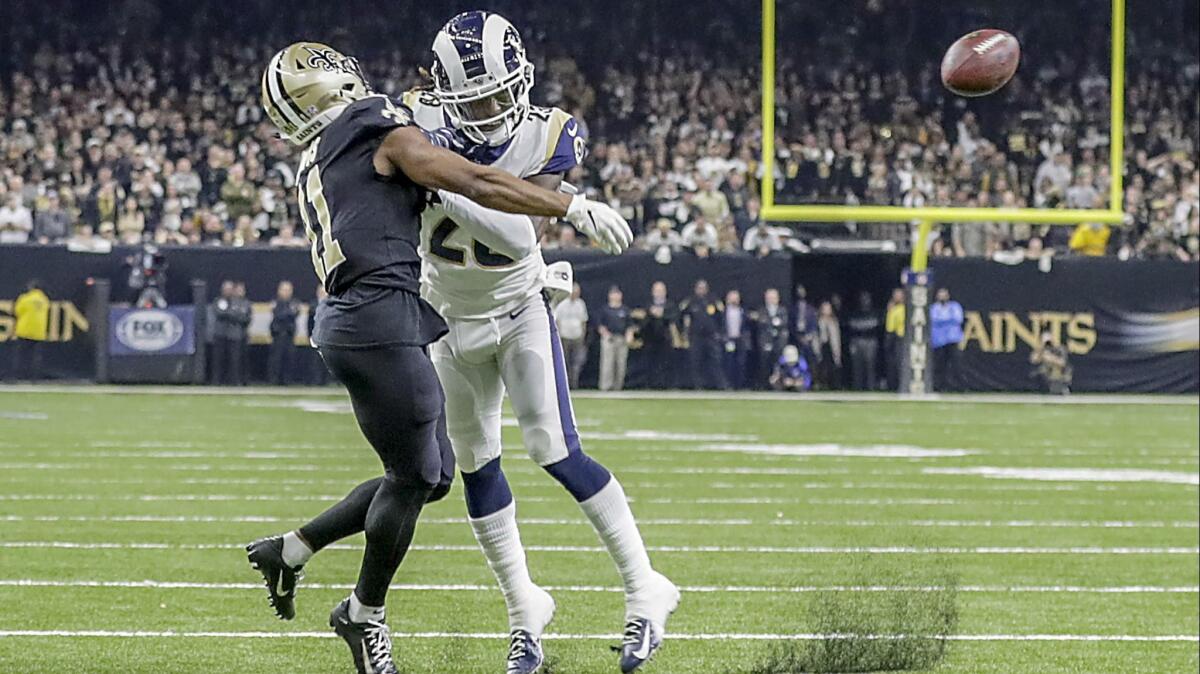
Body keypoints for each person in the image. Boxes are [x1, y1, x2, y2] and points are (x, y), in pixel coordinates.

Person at [243, 39, 632, 674]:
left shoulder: (323, 150)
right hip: (380, 318)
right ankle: (363, 616)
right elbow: (474, 180)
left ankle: (291, 549)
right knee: (420, 477)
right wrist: (571, 205)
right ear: (332, 83)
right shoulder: (374, 130)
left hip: (355, 319)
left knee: (430, 470)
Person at [412, 15, 670, 673]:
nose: (494, 112)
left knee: (552, 448)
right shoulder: (413, 121)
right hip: (445, 318)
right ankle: (524, 612)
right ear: (445, 93)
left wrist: (443, 181)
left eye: (502, 96)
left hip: (518, 307)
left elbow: (515, 231)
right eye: (477, 102)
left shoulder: (552, 132)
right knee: (476, 463)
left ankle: (647, 587)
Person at [678, 278, 725, 389]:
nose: (701, 290)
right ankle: (698, 386)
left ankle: (720, 385)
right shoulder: (690, 301)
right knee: (695, 362)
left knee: (716, 362)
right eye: (699, 288)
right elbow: (682, 316)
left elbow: (721, 317)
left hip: (711, 337)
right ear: (695, 289)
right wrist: (684, 333)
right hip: (696, 337)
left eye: (704, 288)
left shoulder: (713, 301)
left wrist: (719, 332)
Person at [639, 281, 678, 389]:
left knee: (665, 363)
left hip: (665, 339)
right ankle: (650, 384)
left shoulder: (670, 305)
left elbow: (674, 319)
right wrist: (651, 314)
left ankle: (665, 385)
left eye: (661, 290)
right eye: (657, 291)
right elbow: (643, 322)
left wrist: (662, 314)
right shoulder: (647, 305)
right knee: (650, 363)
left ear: (665, 292)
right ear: (652, 292)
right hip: (650, 339)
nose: (659, 293)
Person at [9, 280, 50, 381]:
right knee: (35, 356)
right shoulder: (45, 300)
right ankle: (34, 377)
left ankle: (19, 376)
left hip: (25, 330)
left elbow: (17, 311)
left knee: (21, 356)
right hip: (39, 332)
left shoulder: (25, 298)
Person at [553, 283, 589, 389]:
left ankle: (574, 384)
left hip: (577, 336)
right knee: (564, 361)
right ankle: (563, 384)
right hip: (564, 336)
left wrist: (583, 334)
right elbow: (557, 320)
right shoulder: (561, 304)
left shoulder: (580, 304)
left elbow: (583, 321)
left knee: (576, 362)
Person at [598, 285, 632, 391]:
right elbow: (600, 325)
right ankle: (606, 386)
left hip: (621, 339)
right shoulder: (605, 309)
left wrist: (629, 335)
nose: (615, 296)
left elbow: (629, 325)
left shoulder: (625, 310)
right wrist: (605, 334)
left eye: (617, 294)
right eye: (613, 294)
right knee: (607, 363)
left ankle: (618, 386)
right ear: (610, 296)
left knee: (621, 364)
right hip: (609, 339)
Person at [930, 287, 965, 392]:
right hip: (938, 341)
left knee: (956, 364)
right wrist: (949, 319)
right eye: (940, 295)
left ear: (948, 296)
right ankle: (938, 386)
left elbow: (958, 319)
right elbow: (934, 320)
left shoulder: (955, 306)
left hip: (953, 339)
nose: (942, 297)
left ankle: (959, 387)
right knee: (939, 365)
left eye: (944, 295)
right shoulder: (933, 308)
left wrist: (942, 320)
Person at [754, 288, 790, 389]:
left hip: (779, 342)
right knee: (764, 363)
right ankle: (764, 384)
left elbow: (783, 323)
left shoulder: (782, 310)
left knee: (778, 363)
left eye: (773, 297)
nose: (771, 300)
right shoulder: (761, 310)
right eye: (769, 297)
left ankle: (778, 384)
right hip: (765, 341)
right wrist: (772, 322)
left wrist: (771, 322)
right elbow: (761, 323)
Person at [267, 281, 300, 385]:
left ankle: (288, 381)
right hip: (277, 335)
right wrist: (286, 313)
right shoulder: (275, 302)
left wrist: (283, 313)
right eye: (284, 290)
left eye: (288, 290)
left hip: (289, 335)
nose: (286, 292)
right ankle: (274, 381)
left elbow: (294, 313)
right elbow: (278, 314)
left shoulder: (294, 302)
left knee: (289, 359)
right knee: (275, 360)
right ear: (279, 291)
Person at [847, 291, 880, 391]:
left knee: (870, 366)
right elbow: (851, 325)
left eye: (867, 299)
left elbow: (876, 325)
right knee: (857, 366)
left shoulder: (874, 312)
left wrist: (861, 326)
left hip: (870, 342)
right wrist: (864, 326)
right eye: (863, 298)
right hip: (857, 341)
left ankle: (871, 387)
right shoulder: (855, 313)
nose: (865, 301)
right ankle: (858, 387)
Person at [720, 289, 750, 389]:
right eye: (731, 298)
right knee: (728, 363)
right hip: (728, 340)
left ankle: (740, 385)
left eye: (736, 299)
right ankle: (728, 384)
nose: (734, 301)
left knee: (741, 363)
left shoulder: (743, 311)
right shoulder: (723, 312)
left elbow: (746, 326)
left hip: (740, 340)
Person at [815, 301, 842, 390]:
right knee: (822, 366)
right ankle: (822, 384)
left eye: (828, 309)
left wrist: (837, 350)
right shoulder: (818, 320)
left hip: (832, 346)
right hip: (822, 345)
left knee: (833, 366)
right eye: (824, 309)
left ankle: (834, 385)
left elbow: (836, 336)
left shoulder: (834, 321)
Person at [884, 288, 906, 391]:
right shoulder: (892, 309)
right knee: (894, 363)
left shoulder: (906, 308)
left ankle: (903, 385)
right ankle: (893, 386)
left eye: (899, 295)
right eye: (895, 295)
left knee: (902, 362)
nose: (897, 297)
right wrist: (890, 312)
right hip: (894, 337)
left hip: (903, 338)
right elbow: (890, 327)